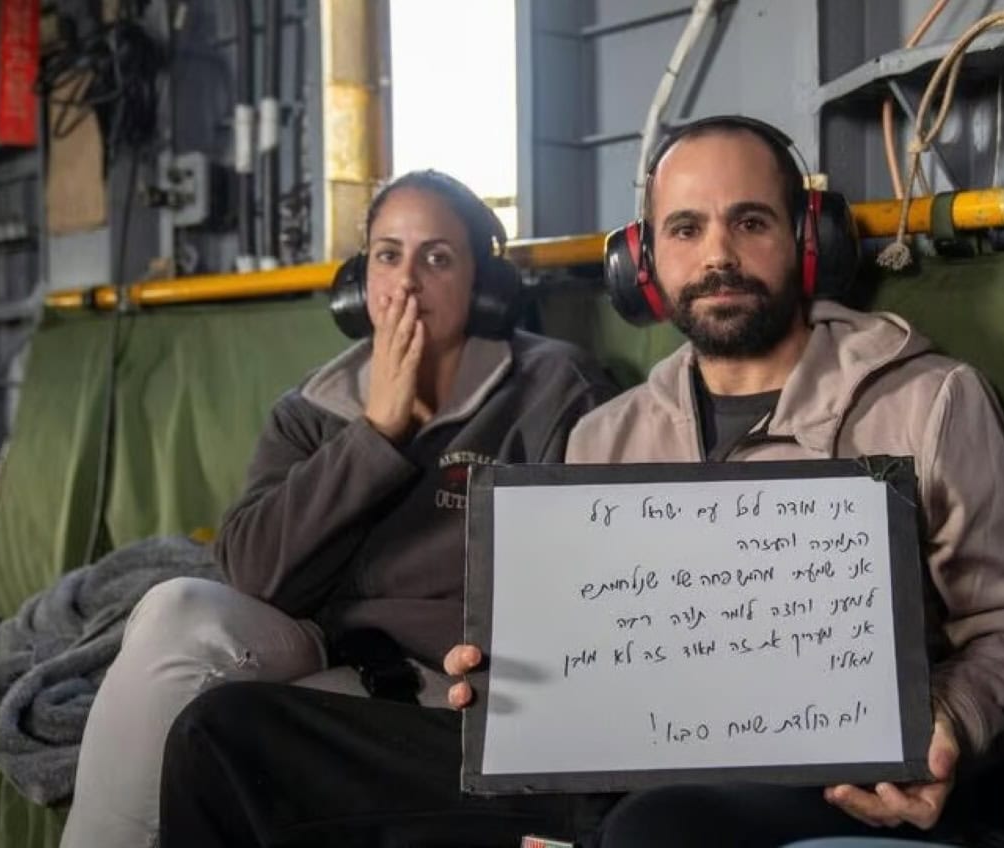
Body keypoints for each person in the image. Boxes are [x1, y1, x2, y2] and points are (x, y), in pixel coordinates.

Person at [443, 115, 1004, 847]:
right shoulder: (603, 437)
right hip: (634, 775)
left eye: (749, 222)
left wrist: (950, 720)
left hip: (848, 789)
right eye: (685, 228)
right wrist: (512, 681)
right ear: (642, 260)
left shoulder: (930, 402)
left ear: (809, 240)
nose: (719, 255)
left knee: (653, 828)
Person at [61, 169, 616, 847]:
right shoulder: (315, 406)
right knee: (178, 608)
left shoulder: (556, 388)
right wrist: (375, 433)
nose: (405, 281)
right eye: (387, 255)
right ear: (359, 282)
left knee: (224, 743)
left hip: (460, 682)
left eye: (437, 258)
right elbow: (252, 573)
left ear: (486, 286)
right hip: (327, 644)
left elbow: (584, 580)